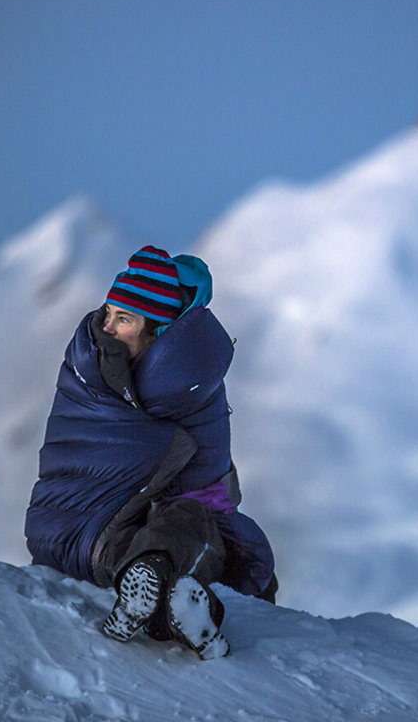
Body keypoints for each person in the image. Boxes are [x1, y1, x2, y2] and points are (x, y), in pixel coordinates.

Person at [24, 245, 277, 660]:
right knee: (194, 527)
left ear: (158, 333)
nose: (106, 327)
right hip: (82, 533)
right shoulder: (98, 366)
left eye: (123, 319)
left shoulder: (176, 385)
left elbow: (201, 469)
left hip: (107, 539)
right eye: (109, 313)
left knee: (190, 538)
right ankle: (164, 585)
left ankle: (167, 602)